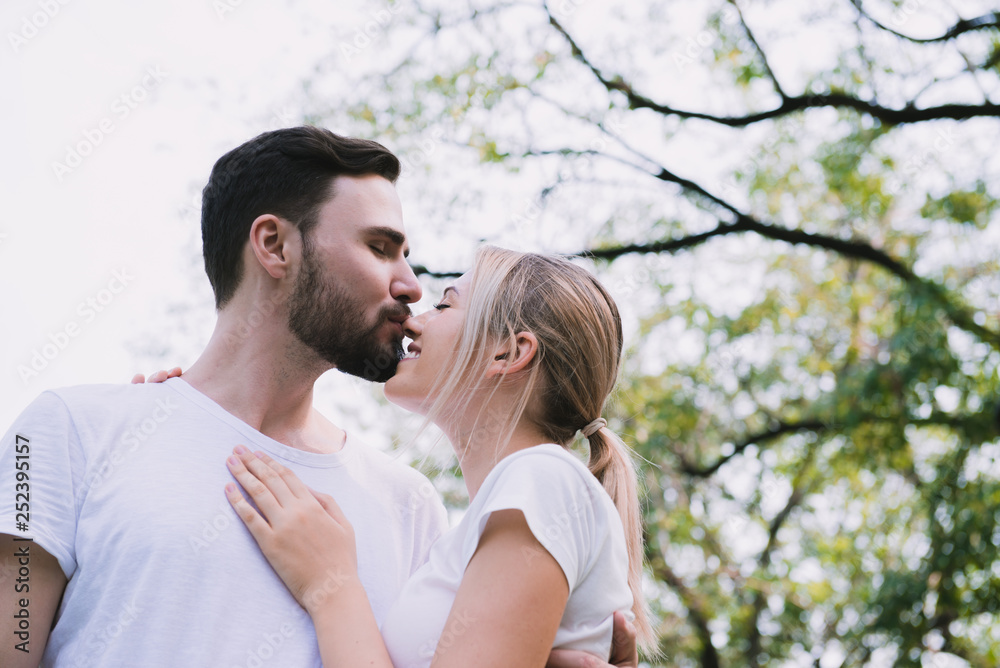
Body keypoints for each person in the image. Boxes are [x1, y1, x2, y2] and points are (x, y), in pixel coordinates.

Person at [0, 127, 635, 667]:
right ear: (274, 245)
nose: (412, 286)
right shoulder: (65, 433)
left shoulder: (410, 505)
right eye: (380, 247)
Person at [221, 246, 660, 667]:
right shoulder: (500, 510)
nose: (414, 322)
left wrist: (331, 586)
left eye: (446, 306)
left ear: (508, 352)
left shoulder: (544, 479)